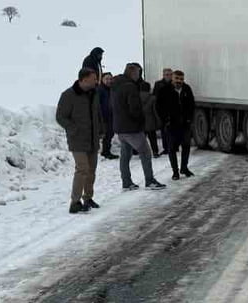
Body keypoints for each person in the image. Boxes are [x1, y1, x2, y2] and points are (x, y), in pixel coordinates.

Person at [55, 68, 103, 214]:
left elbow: (97, 113)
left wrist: (101, 129)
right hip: (78, 139)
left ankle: (88, 197)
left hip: (93, 138)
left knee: (91, 170)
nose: (96, 81)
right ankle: (75, 202)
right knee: (82, 169)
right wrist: (73, 128)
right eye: (94, 78)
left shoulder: (94, 94)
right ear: (84, 79)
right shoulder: (68, 95)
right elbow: (60, 116)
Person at [111, 62, 165, 190]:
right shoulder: (130, 87)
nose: (139, 76)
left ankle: (126, 182)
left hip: (120, 126)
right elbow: (134, 108)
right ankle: (149, 180)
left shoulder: (115, 85)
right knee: (145, 152)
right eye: (138, 73)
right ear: (133, 72)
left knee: (125, 155)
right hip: (132, 128)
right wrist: (141, 121)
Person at [158, 69, 196, 179]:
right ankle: (175, 171)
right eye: (177, 79)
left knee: (186, 146)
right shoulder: (164, 90)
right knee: (172, 149)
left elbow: (191, 104)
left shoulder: (187, 89)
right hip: (171, 125)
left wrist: (189, 118)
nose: (179, 81)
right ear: (172, 78)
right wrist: (165, 120)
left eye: (181, 79)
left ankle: (184, 167)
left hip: (185, 124)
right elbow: (159, 107)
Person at [140, 79, 162, 156]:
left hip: (140, 121)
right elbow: (155, 111)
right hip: (150, 121)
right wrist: (158, 121)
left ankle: (142, 152)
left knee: (141, 139)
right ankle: (155, 152)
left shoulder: (136, 97)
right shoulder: (153, 98)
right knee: (152, 138)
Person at [154, 68, 174, 153]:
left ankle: (173, 146)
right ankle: (166, 147)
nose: (169, 76)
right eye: (167, 74)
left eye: (170, 74)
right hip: (162, 110)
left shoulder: (174, 84)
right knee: (164, 130)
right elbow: (155, 96)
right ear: (163, 75)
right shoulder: (158, 84)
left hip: (173, 109)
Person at [98, 71, 117, 159]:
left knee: (110, 134)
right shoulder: (100, 90)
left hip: (111, 116)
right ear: (102, 79)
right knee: (106, 134)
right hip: (103, 116)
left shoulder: (112, 89)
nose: (109, 81)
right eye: (107, 79)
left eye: (110, 79)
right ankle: (105, 152)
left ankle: (106, 151)